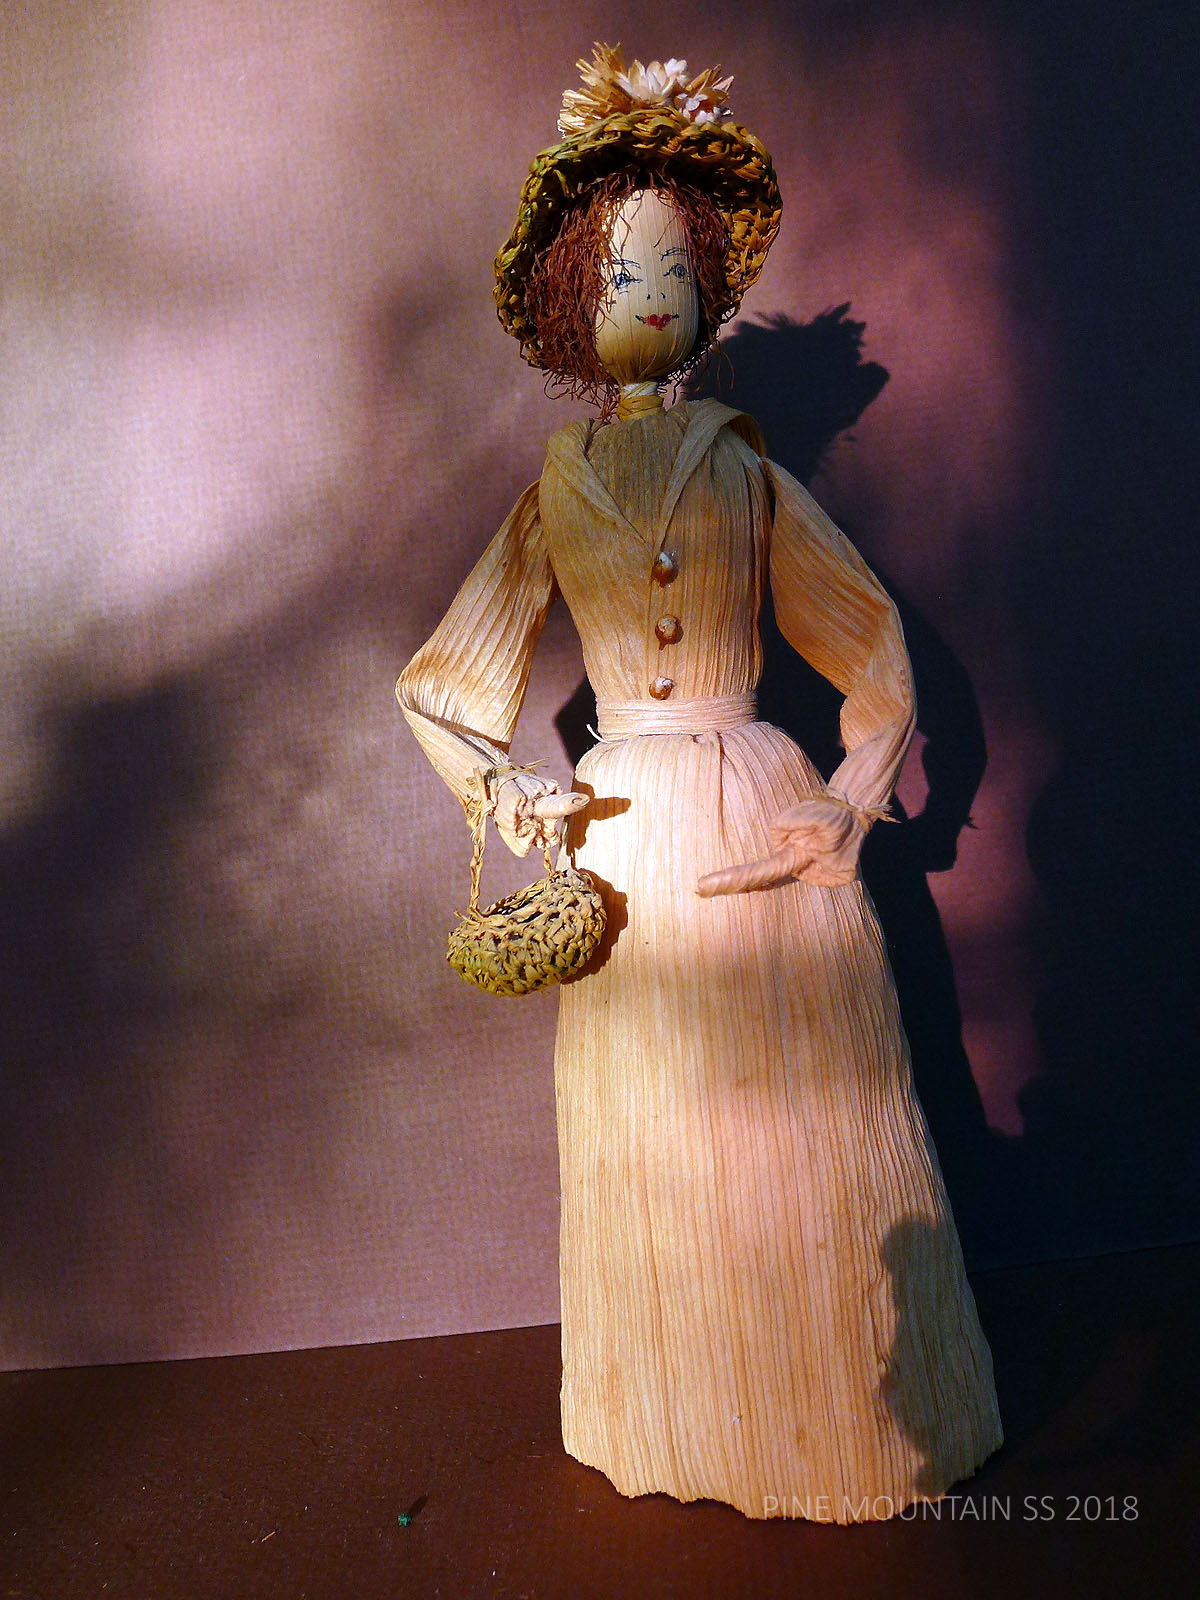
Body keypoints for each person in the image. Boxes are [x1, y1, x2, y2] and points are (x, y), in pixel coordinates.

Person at [398, 46, 1001, 1521]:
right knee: (656, 1123)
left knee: (809, 1116)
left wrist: (855, 803)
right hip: (627, 840)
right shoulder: (555, 492)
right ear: (570, 302)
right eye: (620, 273)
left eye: (673, 267)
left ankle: (843, 1417)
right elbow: (445, 682)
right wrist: (505, 790)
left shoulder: (746, 469)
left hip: (758, 804)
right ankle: (675, 1407)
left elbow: (872, 644)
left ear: (713, 286)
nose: (652, 295)